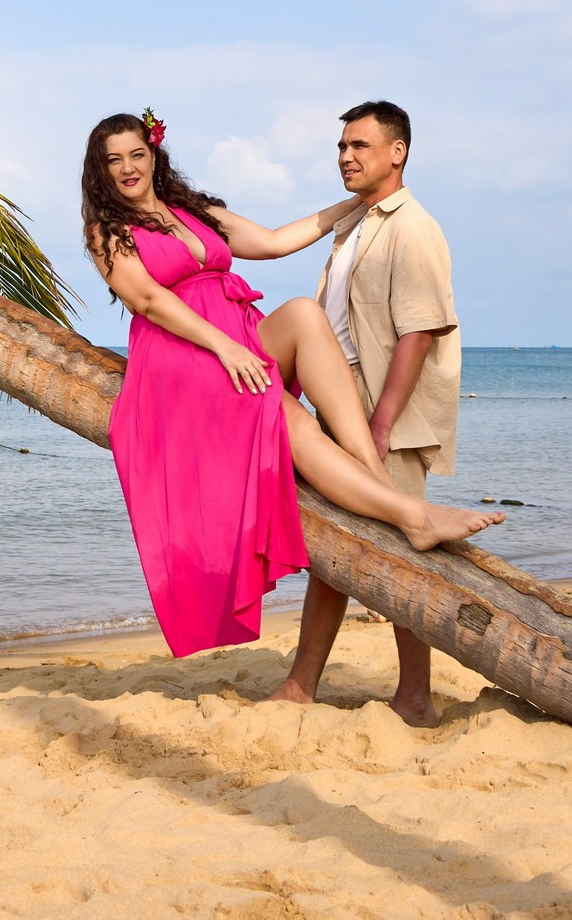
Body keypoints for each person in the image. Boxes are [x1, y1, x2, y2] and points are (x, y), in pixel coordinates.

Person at [82, 110, 500, 659]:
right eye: (114, 160)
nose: (128, 168)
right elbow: (147, 300)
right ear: (102, 170)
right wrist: (224, 346)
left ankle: (376, 477)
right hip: (182, 360)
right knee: (288, 415)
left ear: (154, 154)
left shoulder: (193, 210)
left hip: (239, 345)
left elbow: (277, 241)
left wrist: (358, 204)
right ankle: (410, 514)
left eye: (137, 154)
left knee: (303, 312)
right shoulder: (107, 231)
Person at [271, 100, 481, 726]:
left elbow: (419, 331)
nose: (346, 156)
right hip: (345, 404)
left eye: (359, 145)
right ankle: (303, 684)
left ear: (398, 152)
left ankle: (413, 694)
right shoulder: (355, 225)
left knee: (403, 555)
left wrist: (382, 423)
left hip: (384, 411)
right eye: (342, 146)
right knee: (337, 554)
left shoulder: (413, 227)